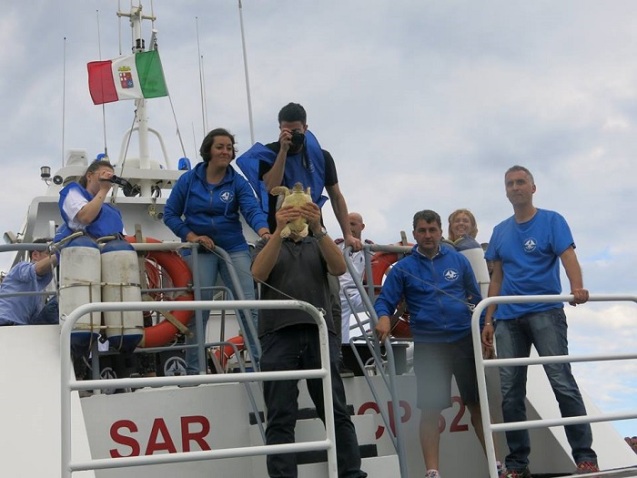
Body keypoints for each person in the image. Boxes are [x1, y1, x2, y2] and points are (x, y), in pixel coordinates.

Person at [481, 165, 599, 477]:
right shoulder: (499, 231)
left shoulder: (552, 220)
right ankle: (517, 464)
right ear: (505, 191)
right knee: (510, 391)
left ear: (533, 188)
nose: (516, 187)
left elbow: (568, 256)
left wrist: (577, 287)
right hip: (507, 316)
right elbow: (497, 277)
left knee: (561, 381)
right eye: (510, 183)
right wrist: (488, 319)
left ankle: (585, 456)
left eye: (521, 182)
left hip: (545, 311)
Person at [251, 201, 367, 478]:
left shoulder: (319, 241)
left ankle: (352, 473)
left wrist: (318, 229)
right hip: (278, 334)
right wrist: (279, 230)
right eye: (290, 209)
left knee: (335, 409)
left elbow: (339, 268)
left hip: (320, 333)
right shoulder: (265, 244)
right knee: (280, 414)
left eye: (302, 209)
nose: (296, 214)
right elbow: (259, 274)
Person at [374, 209, 486, 478]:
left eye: (432, 230)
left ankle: (495, 464)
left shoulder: (459, 262)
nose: (427, 235)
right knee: (430, 410)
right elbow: (385, 301)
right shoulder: (403, 269)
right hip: (429, 346)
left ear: (439, 231)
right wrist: (383, 319)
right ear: (414, 234)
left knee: (477, 405)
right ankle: (432, 472)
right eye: (422, 231)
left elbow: (476, 298)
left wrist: (483, 330)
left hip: (463, 341)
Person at [164, 128, 270, 374]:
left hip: (233, 247)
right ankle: (194, 371)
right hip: (200, 249)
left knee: (249, 306)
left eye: (229, 147)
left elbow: (251, 210)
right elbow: (169, 214)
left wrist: (264, 231)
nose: (225, 151)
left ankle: (260, 367)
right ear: (208, 150)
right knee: (199, 311)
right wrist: (192, 236)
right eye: (220, 146)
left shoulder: (237, 182)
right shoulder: (188, 180)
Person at [55, 159, 124, 242]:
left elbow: (123, 237)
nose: (108, 179)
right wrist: (104, 190)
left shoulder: (113, 211)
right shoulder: (73, 192)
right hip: (84, 249)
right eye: (103, 173)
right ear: (89, 176)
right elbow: (85, 217)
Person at [0, 238, 58, 326]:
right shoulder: (21, 267)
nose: (52, 257)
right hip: (6, 322)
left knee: (60, 298)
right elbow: (37, 269)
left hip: (22, 327)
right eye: (49, 254)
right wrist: (62, 253)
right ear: (35, 255)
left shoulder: (39, 290)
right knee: (58, 299)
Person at [335, 212, 373, 344]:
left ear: (362, 227)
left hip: (358, 295)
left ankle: (374, 330)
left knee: (383, 301)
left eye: (353, 224)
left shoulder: (369, 248)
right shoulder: (336, 247)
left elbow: (385, 267)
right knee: (342, 341)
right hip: (341, 298)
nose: (349, 227)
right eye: (347, 224)